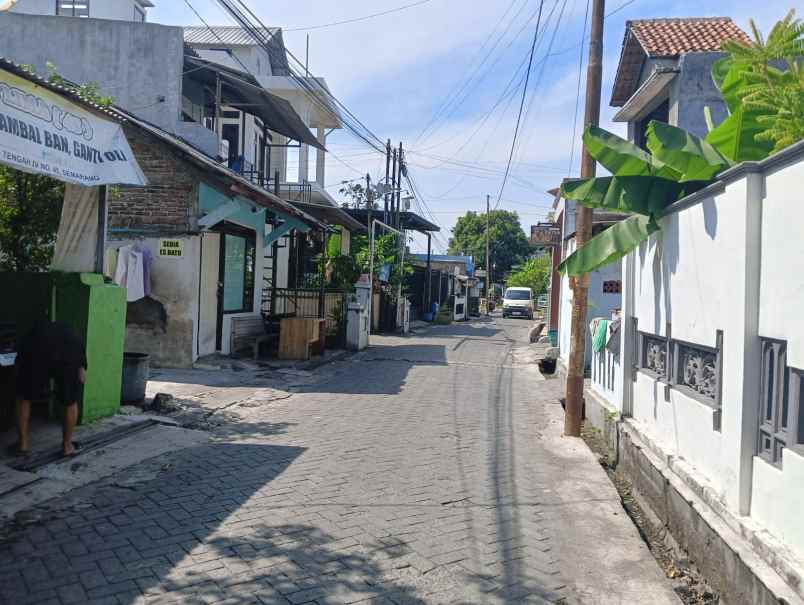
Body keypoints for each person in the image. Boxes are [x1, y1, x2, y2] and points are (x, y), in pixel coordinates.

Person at [11, 320, 87, 457]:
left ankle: (22, 445)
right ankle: (67, 446)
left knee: (23, 398)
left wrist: (22, 384)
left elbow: (19, 365)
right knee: (71, 401)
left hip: (38, 350)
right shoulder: (73, 337)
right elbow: (82, 374)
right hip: (69, 354)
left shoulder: (30, 336)